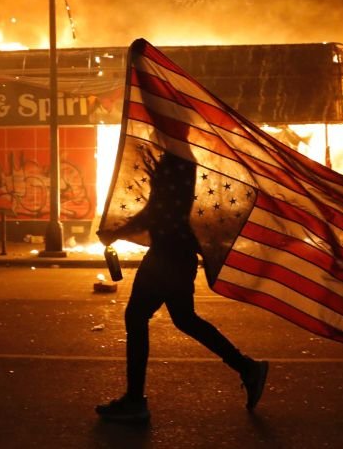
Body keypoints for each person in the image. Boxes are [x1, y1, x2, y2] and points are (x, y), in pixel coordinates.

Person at [95, 151, 268, 423]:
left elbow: (157, 211)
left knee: (137, 316)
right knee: (184, 319)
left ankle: (134, 401)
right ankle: (247, 367)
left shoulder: (176, 159)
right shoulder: (178, 157)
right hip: (177, 253)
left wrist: (117, 232)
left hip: (168, 254)